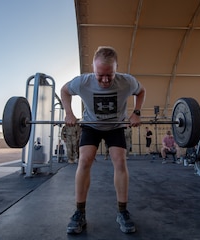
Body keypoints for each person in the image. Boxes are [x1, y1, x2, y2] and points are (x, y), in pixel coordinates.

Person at [61, 46, 146, 234]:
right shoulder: (82, 82)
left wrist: (136, 112)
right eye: (100, 75)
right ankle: (79, 212)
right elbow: (64, 91)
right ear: (93, 69)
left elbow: (141, 92)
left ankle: (122, 212)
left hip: (115, 126)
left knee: (120, 161)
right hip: (91, 125)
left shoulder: (127, 82)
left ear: (117, 68)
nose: (105, 80)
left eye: (110, 75)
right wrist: (69, 113)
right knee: (84, 160)